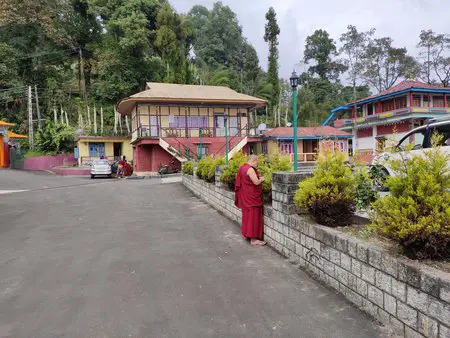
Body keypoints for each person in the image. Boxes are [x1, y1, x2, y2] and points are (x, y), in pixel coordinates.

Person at [234, 154, 266, 246]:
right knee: (253, 217)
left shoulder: (242, 168)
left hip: (245, 197)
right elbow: (256, 182)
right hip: (252, 198)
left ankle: (247, 235)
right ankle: (254, 240)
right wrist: (262, 179)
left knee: (247, 216)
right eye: (257, 163)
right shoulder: (250, 169)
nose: (257, 165)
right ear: (254, 161)